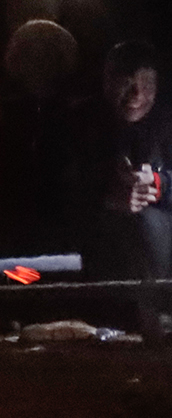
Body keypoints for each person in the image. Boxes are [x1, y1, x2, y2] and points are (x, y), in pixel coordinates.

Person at [77, 41, 172, 336]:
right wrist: (107, 196)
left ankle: (153, 318)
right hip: (98, 240)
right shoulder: (81, 125)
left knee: (148, 221)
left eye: (146, 85)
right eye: (127, 84)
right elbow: (60, 190)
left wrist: (158, 185)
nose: (137, 95)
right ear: (107, 81)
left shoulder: (166, 123)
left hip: (159, 243)